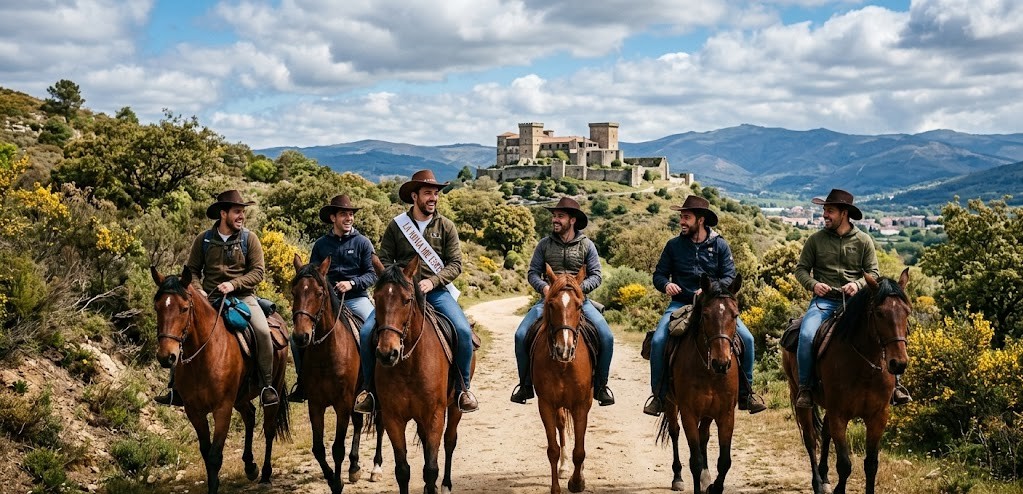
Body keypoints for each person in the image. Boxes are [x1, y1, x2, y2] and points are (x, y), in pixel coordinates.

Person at [353, 169, 478, 414]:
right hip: (401, 296)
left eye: (436, 194)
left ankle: (463, 388)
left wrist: (433, 282)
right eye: (428, 193)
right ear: (415, 196)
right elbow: (385, 259)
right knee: (367, 332)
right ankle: (369, 390)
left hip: (436, 292)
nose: (433, 198)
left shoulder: (446, 226)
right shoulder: (397, 226)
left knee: (463, 331)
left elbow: (455, 264)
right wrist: (400, 282)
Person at [643, 195, 766, 416]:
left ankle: (747, 394)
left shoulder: (720, 245)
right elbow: (659, 275)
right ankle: (658, 396)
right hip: (680, 304)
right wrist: (666, 285)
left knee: (747, 339)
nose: (682, 221)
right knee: (660, 340)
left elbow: (729, 277)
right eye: (681, 216)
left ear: (700, 220)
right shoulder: (673, 245)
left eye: (686, 217)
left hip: (713, 305)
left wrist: (711, 289)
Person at [155, 190, 279, 406]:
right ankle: (175, 388)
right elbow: (192, 270)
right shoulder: (203, 240)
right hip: (208, 298)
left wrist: (233, 284)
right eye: (237, 212)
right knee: (181, 330)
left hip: (243, 297)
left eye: (242, 212)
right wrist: (199, 289)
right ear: (223, 214)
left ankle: (266, 385)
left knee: (262, 331)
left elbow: (258, 272)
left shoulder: (250, 239)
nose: (241, 216)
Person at [793, 188, 911, 408]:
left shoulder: (864, 241)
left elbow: (873, 273)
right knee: (807, 335)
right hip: (824, 302)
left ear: (844, 213)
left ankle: (896, 386)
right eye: (825, 210)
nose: (825, 215)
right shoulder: (815, 240)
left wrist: (857, 285)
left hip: (858, 303)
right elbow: (801, 270)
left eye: (830, 211)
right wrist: (813, 284)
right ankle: (806, 389)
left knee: (890, 329)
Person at [509, 197, 616, 406]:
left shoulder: (587, 246)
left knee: (607, 336)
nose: (555, 220)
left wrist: (577, 290)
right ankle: (525, 384)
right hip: (549, 302)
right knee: (520, 335)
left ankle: (601, 386)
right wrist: (545, 288)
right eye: (554, 216)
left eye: (560, 216)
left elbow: (596, 275)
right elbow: (533, 273)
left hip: (579, 302)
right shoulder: (544, 245)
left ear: (572, 220)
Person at [289, 194, 377, 403]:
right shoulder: (321, 245)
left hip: (356, 299)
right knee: (296, 339)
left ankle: (371, 386)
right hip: (324, 303)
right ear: (333, 218)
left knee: (370, 332)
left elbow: (372, 274)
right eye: (344, 214)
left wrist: (352, 283)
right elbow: (311, 276)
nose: (349, 218)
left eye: (351, 214)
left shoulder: (363, 243)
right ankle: (303, 384)